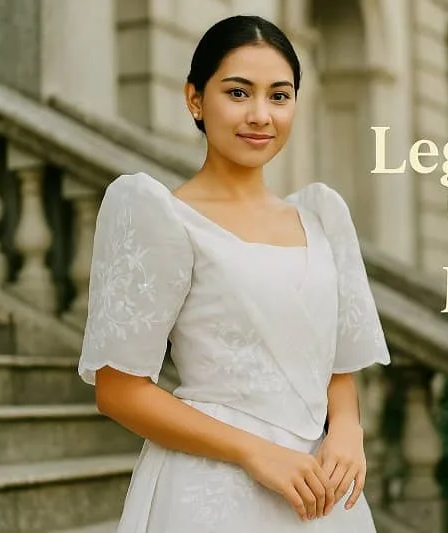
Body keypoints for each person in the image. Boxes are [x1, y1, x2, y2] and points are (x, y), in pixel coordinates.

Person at [77, 14, 391, 533]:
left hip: (321, 492)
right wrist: (255, 453)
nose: (261, 115)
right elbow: (118, 390)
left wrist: (348, 430)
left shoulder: (321, 219)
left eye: (279, 95)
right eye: (239, 93)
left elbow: (336, 360)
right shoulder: (157, 214)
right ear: (195, 100)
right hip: (212, 490)